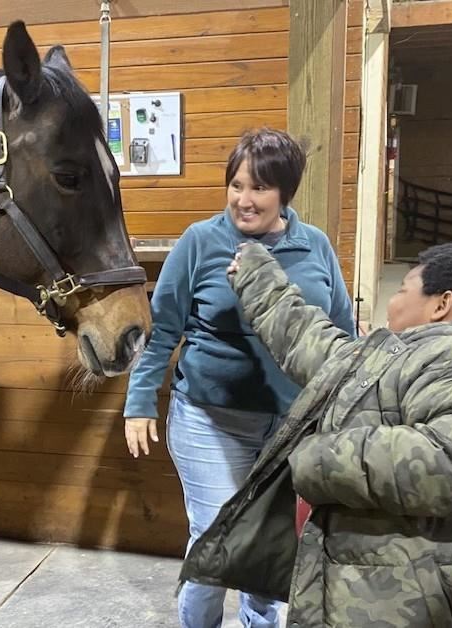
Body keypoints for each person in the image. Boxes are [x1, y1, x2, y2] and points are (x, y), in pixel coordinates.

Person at [178, 240, 452, 627]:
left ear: (441, 305)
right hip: (385, 593)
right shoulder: (410, 357)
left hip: (414, 603)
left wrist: (316, 457)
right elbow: (310, 342)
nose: (393, 302)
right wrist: (257, 275)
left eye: (402, 290)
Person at [122, 127, 354, 628]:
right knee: (216, 540)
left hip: (291, 426)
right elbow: (162, 330)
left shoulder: (314, 246)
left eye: (259, 189)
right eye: (236, 185)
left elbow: (341, 333)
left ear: (285, 193)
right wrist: (139, 401)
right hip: (210, 417)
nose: (244, 200)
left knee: (268, 546)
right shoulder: (201, 241)